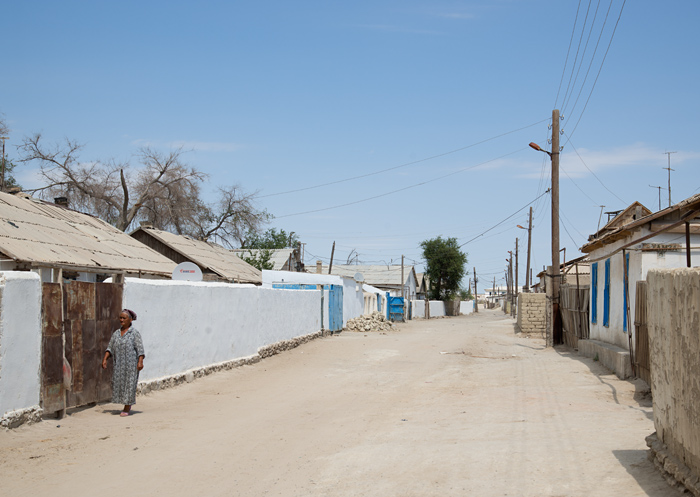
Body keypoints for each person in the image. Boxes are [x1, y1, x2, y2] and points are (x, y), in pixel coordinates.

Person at [102, 309, 145, 417]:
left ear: (130, 320)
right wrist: (105, 359)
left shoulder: (134, 333)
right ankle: (124, 403)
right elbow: (110, 348)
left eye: (124, 318)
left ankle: (127, 407)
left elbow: (140, 349)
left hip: (131, 365)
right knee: (120, 384)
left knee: (130, 385)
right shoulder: (116, 333)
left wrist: (140, 362)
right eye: (120, 318)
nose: (121, 320)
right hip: (119, 365)